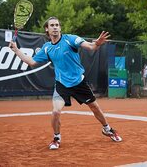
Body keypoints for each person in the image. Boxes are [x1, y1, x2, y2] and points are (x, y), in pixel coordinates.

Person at [9, 17, 122, 150]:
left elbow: (90, 47)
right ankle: (56, 138)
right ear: (47, 29)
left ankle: (107, 129)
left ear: (60, 28)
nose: (55, 27)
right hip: (62, 84)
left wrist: (97, 43)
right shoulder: (47, 48)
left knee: (95, 107)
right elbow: (32, 62)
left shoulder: (70, 39)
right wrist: (16, 50)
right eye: (52, 25)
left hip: (79, 82)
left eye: (57, 25)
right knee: (56, 112)